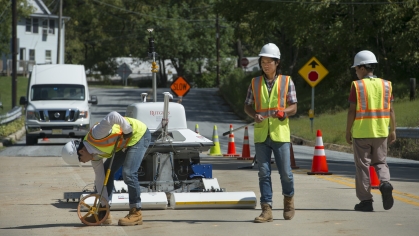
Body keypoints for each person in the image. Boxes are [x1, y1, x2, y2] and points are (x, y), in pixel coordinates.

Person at [62, 111, 151, 225]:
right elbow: (100, 179)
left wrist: (127, 129)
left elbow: (113, 116)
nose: (83, 162)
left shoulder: (96, 134)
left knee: (128, 173)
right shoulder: (94, 157)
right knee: (105, 171)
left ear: (81, 151)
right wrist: (104, 205)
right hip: (124, 143)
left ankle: (136, 212)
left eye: (81, 160)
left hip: (138, 134)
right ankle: (105, 214)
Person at [244, 43, 298, 222]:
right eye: (263, 61)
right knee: (263, 173)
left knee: (286, 173)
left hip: (280, 133)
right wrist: (255, 115)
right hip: (261, 134)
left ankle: (289, 201)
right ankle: (266, 209)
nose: (265, 65)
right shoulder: (255, 82)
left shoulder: (287, 81)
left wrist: (285, 112)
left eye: (269, 61)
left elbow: (294, 107)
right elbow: (247, 106)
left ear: (277, 63)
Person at [345, 50, 396, 212]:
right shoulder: (386, 85)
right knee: (380, 162)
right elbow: (391, 110)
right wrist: (393, 130)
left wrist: (348, 131)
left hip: (361, 133)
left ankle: (366, 201)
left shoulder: (357, 85)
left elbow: (351, 111)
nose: (355, 72)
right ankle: (385, 183)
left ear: (361, 68)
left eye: (355, 69)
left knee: (363, 166)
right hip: (381, 132)